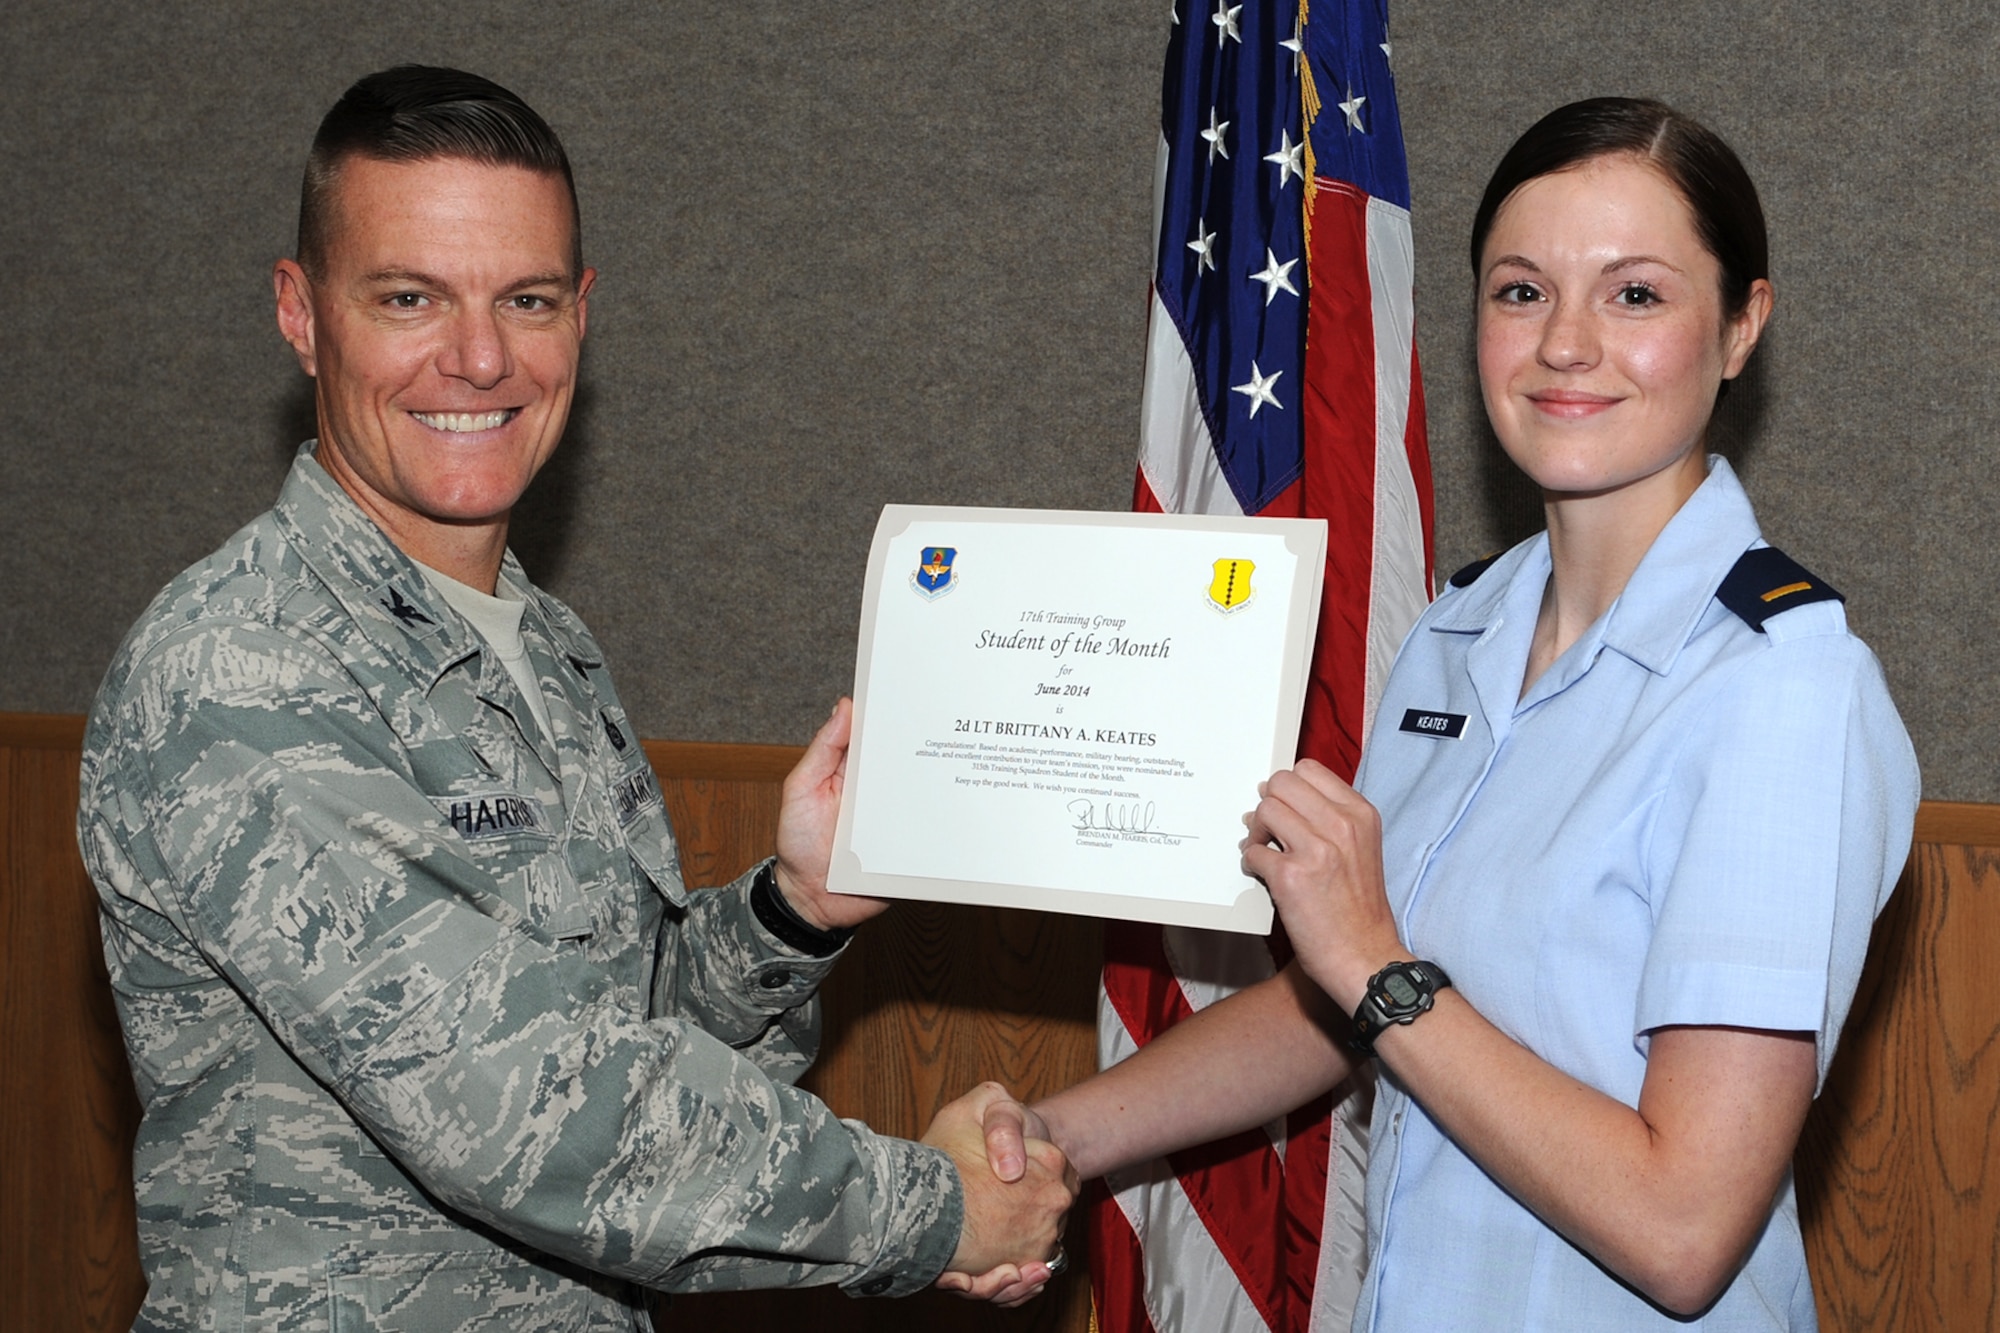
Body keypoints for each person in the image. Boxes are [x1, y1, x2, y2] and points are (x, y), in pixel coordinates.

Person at [77, 65, 1071, 1331]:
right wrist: (932, 1211)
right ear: (303, 313)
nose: (479, 357)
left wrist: (792, 911)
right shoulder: (243, 666)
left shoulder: (542, 642)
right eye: (408, 297)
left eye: (526, 299)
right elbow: (531, 1116)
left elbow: (617, 1021)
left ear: (581, 315)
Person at [974, 97, 1919, 1328]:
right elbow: (1342, 1001)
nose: (1564, 343)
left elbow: (1682, 1228)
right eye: (1520, 291)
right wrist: (1040, 1141)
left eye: (1634, 294)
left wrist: (1373, 961)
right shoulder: (1456, 628)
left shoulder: (1779, 687)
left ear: (1740, 328)